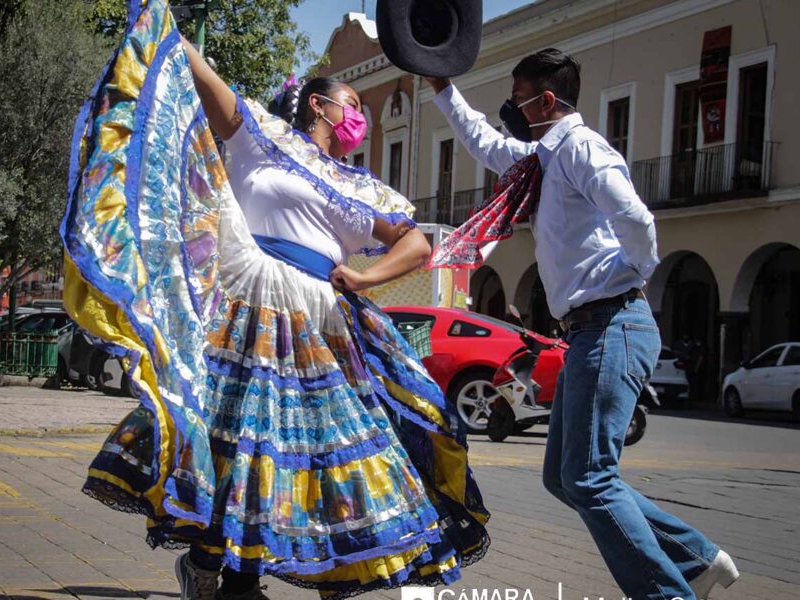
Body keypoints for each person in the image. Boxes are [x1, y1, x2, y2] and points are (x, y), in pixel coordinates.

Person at [62, 2, 489, 600]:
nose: (359, 118)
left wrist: (367, 279)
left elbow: (416, 244)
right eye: (353, 105)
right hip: (251, 307)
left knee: (322, 450)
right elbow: (203, 77)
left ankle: (327, 568)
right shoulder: (262, 135)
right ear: (319, 104)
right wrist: (162, 22)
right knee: (245, 442)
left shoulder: (362, 185)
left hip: (323, 321)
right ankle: (226, 574)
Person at [425, 49, 738, 600]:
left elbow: (635, 218)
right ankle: (697, 558)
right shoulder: (540, 160)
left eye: (519, 98)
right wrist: (443, 89)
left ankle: (667, 593)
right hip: (590, 328)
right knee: (564, 477)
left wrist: (630, 272)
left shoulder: (581, 149)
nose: (511, 109)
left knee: (590, 477)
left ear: (547, 100)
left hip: (612, 320)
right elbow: (486, 142)